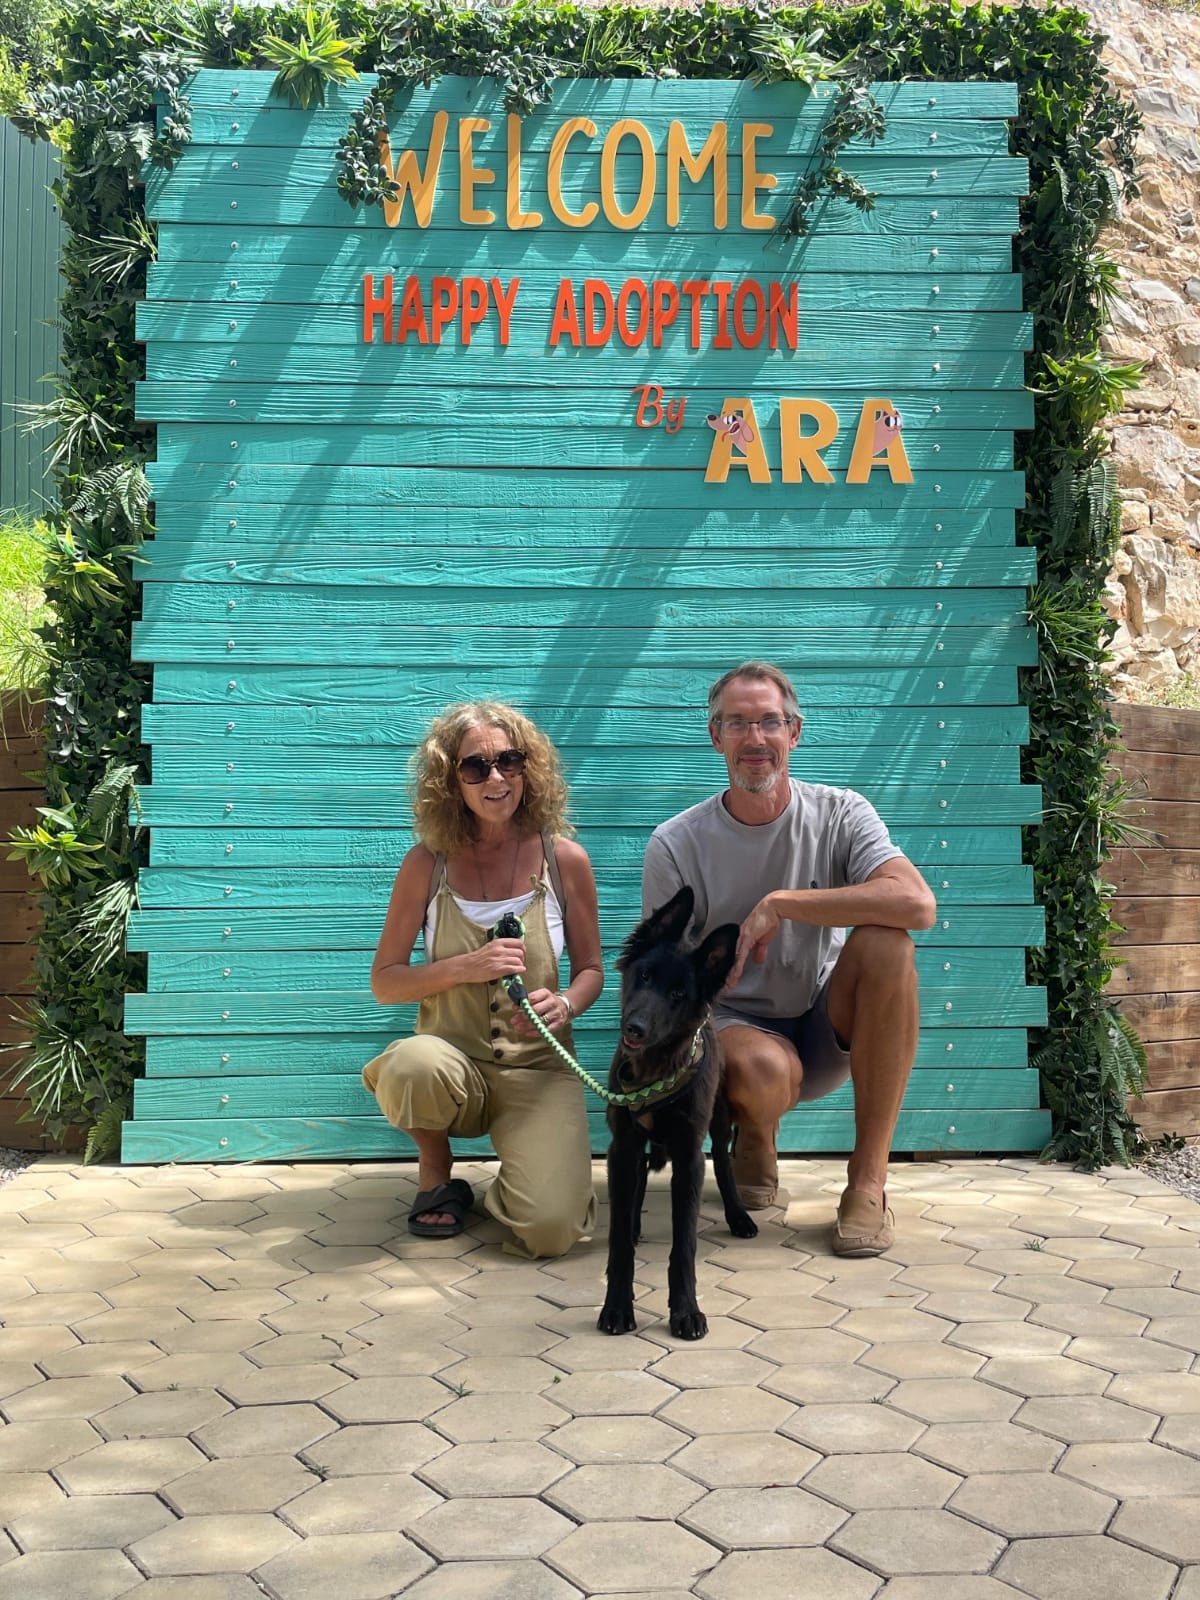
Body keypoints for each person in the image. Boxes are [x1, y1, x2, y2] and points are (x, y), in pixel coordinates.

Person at [641, 661, 937, 1257]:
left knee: (888, 943)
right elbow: (658, 976)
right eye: (738, 723)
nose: (755, 739)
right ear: (715, 737)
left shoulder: (841, 813)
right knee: (762, 1073)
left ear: (794, 733)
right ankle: (755, 1129)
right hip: (736, 1031)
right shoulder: (675, 843)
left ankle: (868, 1184)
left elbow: (917, 903)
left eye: (770, 722)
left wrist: (783, 904)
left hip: (826, 1026)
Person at [363, 701, 603, 1256]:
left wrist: (566, 1004)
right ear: (452, 782)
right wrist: (463, 968)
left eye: (509, 762)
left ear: (529, 769)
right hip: (453, 1065)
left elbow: (592, 970)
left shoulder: (565, 860)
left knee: (552, 1231)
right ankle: (437, 1171)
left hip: (539, 1068)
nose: (495, 778)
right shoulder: (427, 864)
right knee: (410, 1063)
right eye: (475, 767)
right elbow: (385, 982)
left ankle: (523, 1181)